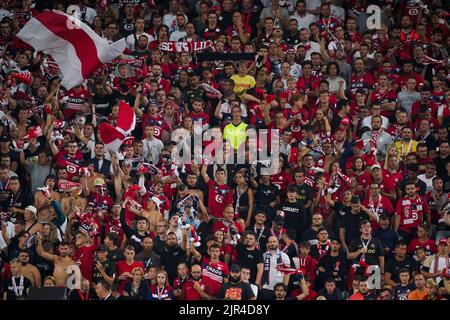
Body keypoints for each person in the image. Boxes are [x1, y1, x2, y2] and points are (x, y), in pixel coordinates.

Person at [260, 236, 291, 300]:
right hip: (266, 288)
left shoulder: (284, 256)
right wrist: (260, 286)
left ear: (278, 243)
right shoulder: (263, 256)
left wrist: (284, 288)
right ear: (267, 244)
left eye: (274, 241)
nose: (272, 243)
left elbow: (287, 273)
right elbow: (260, 271)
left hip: (279, 289)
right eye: (270, 242)